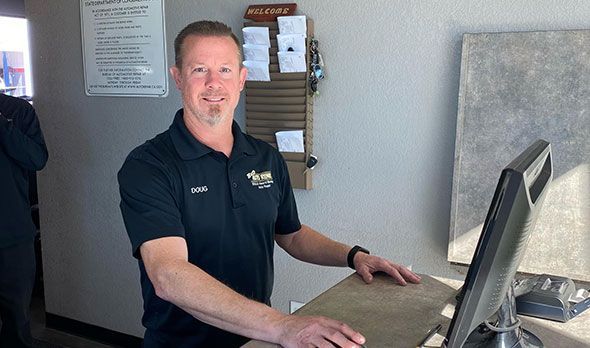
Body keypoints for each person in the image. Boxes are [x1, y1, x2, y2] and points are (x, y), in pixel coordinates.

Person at [118, 20, 421, 348]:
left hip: (256, 339)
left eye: (224, 69)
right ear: (178, 78)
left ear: (242, 78)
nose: (213, 83)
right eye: (199, 69)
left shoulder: (264, 157)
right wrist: (283, 326)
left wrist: (353, 256)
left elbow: (291, 234)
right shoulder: (148, 166)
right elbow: (168, 274)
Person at [0, 93, 48, 347]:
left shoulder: (17, 111)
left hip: (12, 235)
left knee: (16, 323)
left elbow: (37, 159)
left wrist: (3, 125)